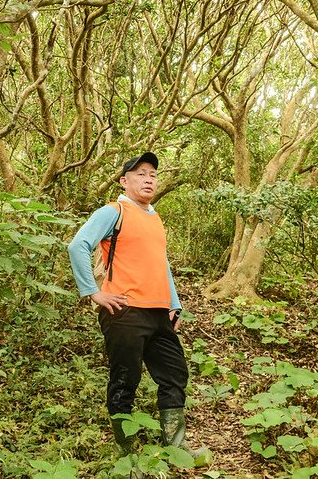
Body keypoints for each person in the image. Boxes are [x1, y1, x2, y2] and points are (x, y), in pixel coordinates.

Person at [68, 152, 211, 465]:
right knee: (125, 380)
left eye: (153, 175)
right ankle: (127, 455)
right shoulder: (114, 211)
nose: (149, 179)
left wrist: (173, 303)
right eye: (140, 173)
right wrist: (92, 292)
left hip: (158, 313)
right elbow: (78, 245)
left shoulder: (154, 218)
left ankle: (176, 448)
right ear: (124, 181)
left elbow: (161, 264)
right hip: (125, 311)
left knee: (174, 375)